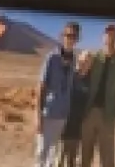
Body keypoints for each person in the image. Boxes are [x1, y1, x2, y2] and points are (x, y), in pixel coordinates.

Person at [79, 24, 115, 167]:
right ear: (103, 38)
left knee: (107, 155)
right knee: (85, 153)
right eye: (107, 34)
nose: (110, 38)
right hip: (89, 112)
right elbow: (82, 77)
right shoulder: (95, 57)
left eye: (113, 35)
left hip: (108, 113)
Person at [37, 22, 82, 167]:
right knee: (41, 152)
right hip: (48, 113)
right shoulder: (51, 58)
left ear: (77, 39)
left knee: (53, 153)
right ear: (62, 36)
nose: (70, 38)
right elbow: (41, 87)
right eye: (67, 35)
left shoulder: (74, 59)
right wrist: (38, 116)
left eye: (73, 36)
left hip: (63, 115)